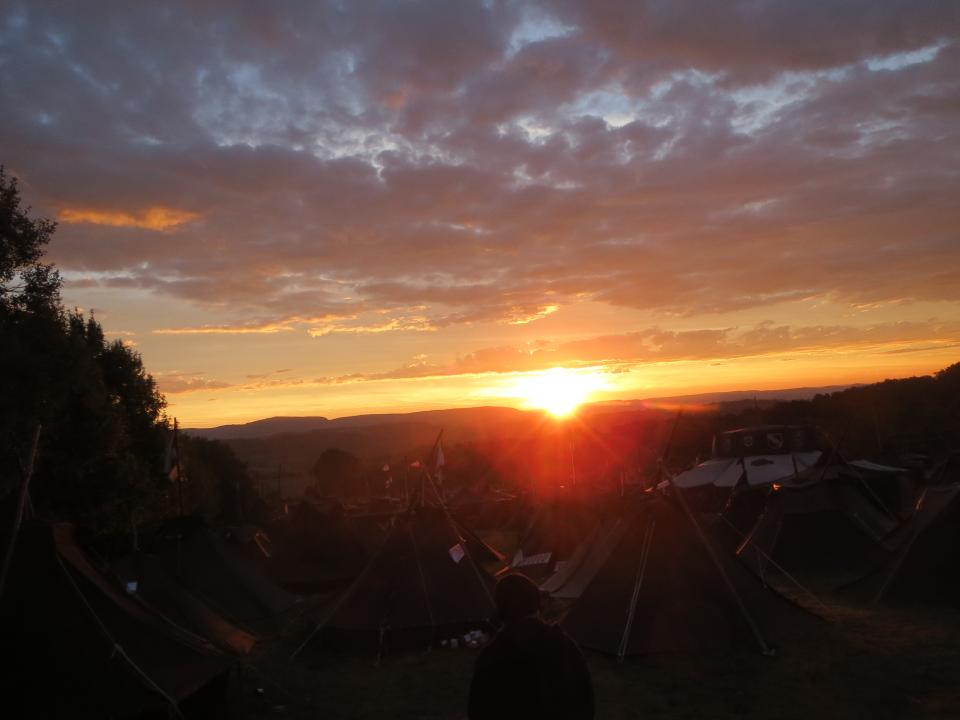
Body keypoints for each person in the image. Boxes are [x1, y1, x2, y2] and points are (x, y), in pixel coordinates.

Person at [468, 573, 594, 719]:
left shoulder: (490, 657)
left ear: (500, 610)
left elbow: (477, 711)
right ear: (537, 604)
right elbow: (586, 701)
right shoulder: (564, 646)